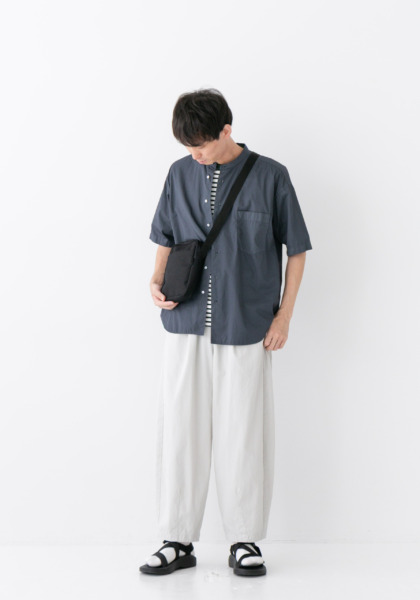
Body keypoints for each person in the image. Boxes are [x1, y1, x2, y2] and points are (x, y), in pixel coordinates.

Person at [139, 88, 312, 577]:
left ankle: (244, 539)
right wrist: (155, 279)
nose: (194, 155)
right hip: (185, 322)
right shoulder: (178, 173)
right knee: (180, 430)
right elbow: (165, 236)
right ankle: (177, 539)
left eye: (201, 145)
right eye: (187, 147)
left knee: (243, 432)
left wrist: (284, 316)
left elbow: (297, 249)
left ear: (226, 130)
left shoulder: (271, 175)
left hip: (246, 323)